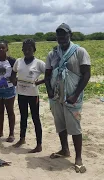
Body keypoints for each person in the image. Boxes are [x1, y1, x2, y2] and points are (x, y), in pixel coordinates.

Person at [45, 23, 91, 173]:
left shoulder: (79, 52)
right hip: (56, 97)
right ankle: (65, 149)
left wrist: (75, 94)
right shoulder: (53, 54)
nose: (61, 38)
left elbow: (86, 75)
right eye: (59, 35)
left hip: (73, 97)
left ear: (70, 34)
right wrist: (50, 92)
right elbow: (47, 75)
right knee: (61, 125)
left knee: (75, 127)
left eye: (64, 34)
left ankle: (78, 158)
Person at [12, 39, 45, 153]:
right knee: (23, 116)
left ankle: (39, 144)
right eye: (25, 49)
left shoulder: (39, 63)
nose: (27, 51)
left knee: (35, 118)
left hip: (33, 94)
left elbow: (50, 74)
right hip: (21, 93)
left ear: (34, 50)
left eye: (29, 49)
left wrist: (39, 82)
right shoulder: (18, 62)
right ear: (22, 50)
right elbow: (13, 72)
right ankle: (22, 139)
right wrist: (13, 80)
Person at [0, 40, 16, 142]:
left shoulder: (12, 61)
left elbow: (16, 73)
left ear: (7, 48)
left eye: (3, 48)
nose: (1, 49)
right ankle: (0, 132)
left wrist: (12, 80)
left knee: (10, 111)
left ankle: (11, 134)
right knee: (0, 111)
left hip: (8, 90)